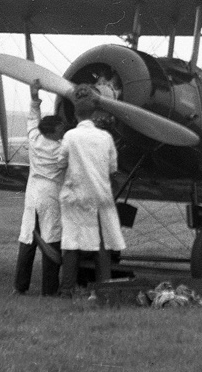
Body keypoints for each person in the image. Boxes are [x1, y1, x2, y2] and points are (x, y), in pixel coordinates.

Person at [58, 86, 124, 296]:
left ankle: (67, 289)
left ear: (76, 114)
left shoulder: (70, 136)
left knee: (71, 244)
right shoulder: (105, 138)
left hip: (75, 196)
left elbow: (61, 161)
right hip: (100, 196)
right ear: (94, 114)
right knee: (100, 245)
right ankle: (104, 289)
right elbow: (113, 168)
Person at [15, 81, 67, 295]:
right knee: (51, 240)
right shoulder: (61, 150)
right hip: (51, 196)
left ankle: (20, 286)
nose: (64, 131)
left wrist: (34, 96)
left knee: (28, 239)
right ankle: (49, 289)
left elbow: (32, 119)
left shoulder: (35, 138)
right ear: (54, 131)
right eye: (62, 129)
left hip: (32, 194)